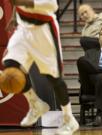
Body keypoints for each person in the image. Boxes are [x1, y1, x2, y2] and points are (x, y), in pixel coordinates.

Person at [2, 0, 79, 134]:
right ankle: (36, 103)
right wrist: (14, 17)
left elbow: (47, 5)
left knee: (54, 78)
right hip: (24, 28)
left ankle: (69, 118)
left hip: (44, 30)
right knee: (10, 63)